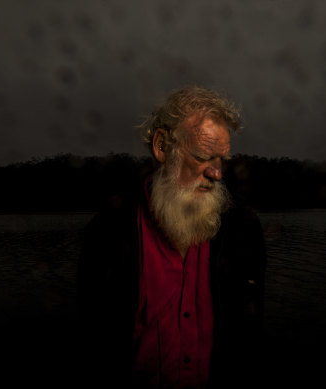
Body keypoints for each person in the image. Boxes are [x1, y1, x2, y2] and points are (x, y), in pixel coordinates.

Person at [78, 85, 267, 388]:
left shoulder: (244, 230)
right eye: (204, 156)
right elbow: (93, 342)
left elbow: (248, 336)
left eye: (222, 159)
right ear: (162, 146)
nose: (217, 174)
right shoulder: (108, 233)